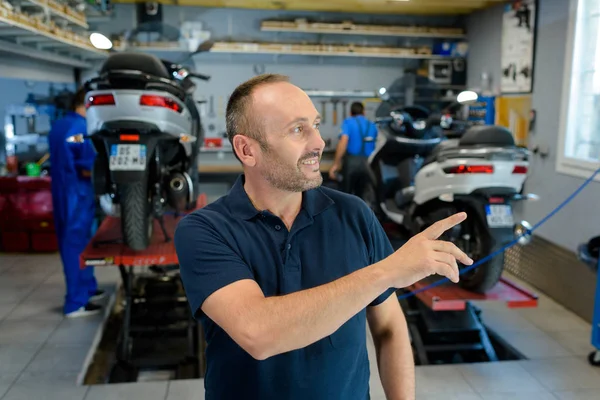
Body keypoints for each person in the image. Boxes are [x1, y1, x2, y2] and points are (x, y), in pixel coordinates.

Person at [174, 74, 473, 400]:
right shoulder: (205, 230)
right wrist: (388, 270)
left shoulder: (354, 215)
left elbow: (389, 327)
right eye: (298, 129)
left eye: (315, 125)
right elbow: (258, 333)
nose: (319, 142)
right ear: (247, 150)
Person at [48, 87, 105, 318]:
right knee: (76, 247)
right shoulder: (81, 128)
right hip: (77, 195)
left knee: (78, 244)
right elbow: (87, 166)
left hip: (63, 193)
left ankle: (87, 289)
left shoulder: (60, 124)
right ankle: (75, 302)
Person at [329, 101, 377, 196]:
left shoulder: (348, 122)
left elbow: (343, 142)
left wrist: (336, 163)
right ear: (364, 112)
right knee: (362, 195)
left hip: (352, 163)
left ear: (351, 113)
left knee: (346, 195)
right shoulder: (372, 125)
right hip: (369, 164)